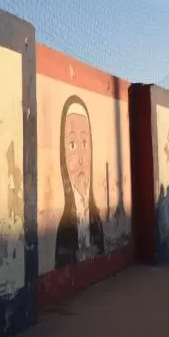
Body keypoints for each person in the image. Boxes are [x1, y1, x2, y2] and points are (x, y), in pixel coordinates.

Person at [55, 96, 106, 266]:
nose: (81, 161)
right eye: (72, 145)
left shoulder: (96, 221)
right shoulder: (63, 230)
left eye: (85, 143)